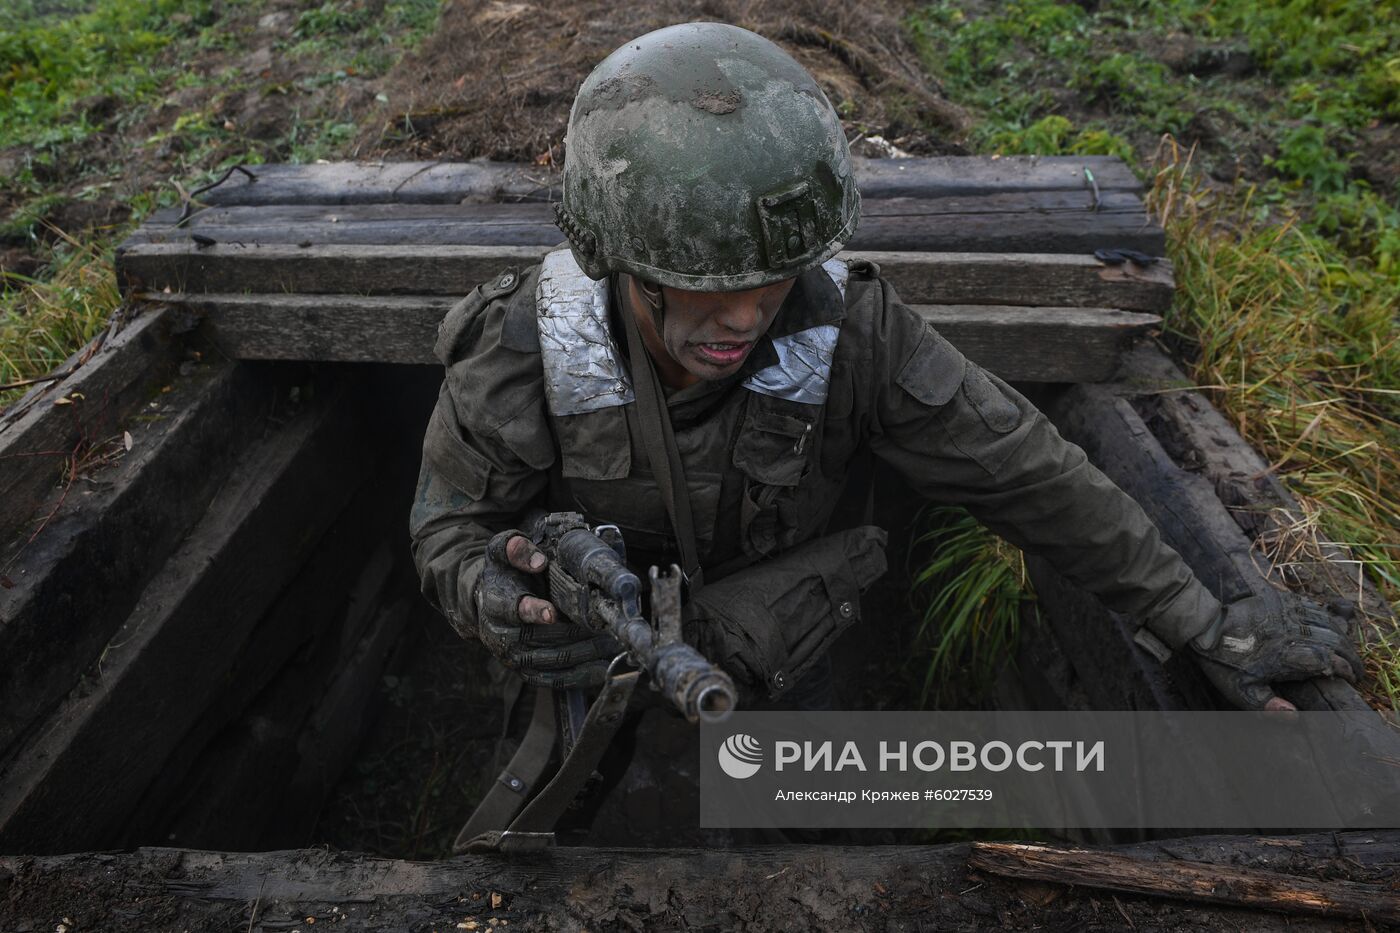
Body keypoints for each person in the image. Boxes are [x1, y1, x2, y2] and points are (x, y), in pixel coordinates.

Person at [410, 22, 1359, 734]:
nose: (743, 317)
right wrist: (492, 593)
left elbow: (1024, 470)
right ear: (620, 260)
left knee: (800, 860)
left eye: (770, 281)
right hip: (588, 674)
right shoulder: (528, 338)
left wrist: (1199, 618)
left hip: (778, 661)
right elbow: (450, 526)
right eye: (706, 287)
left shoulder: (852, 331)